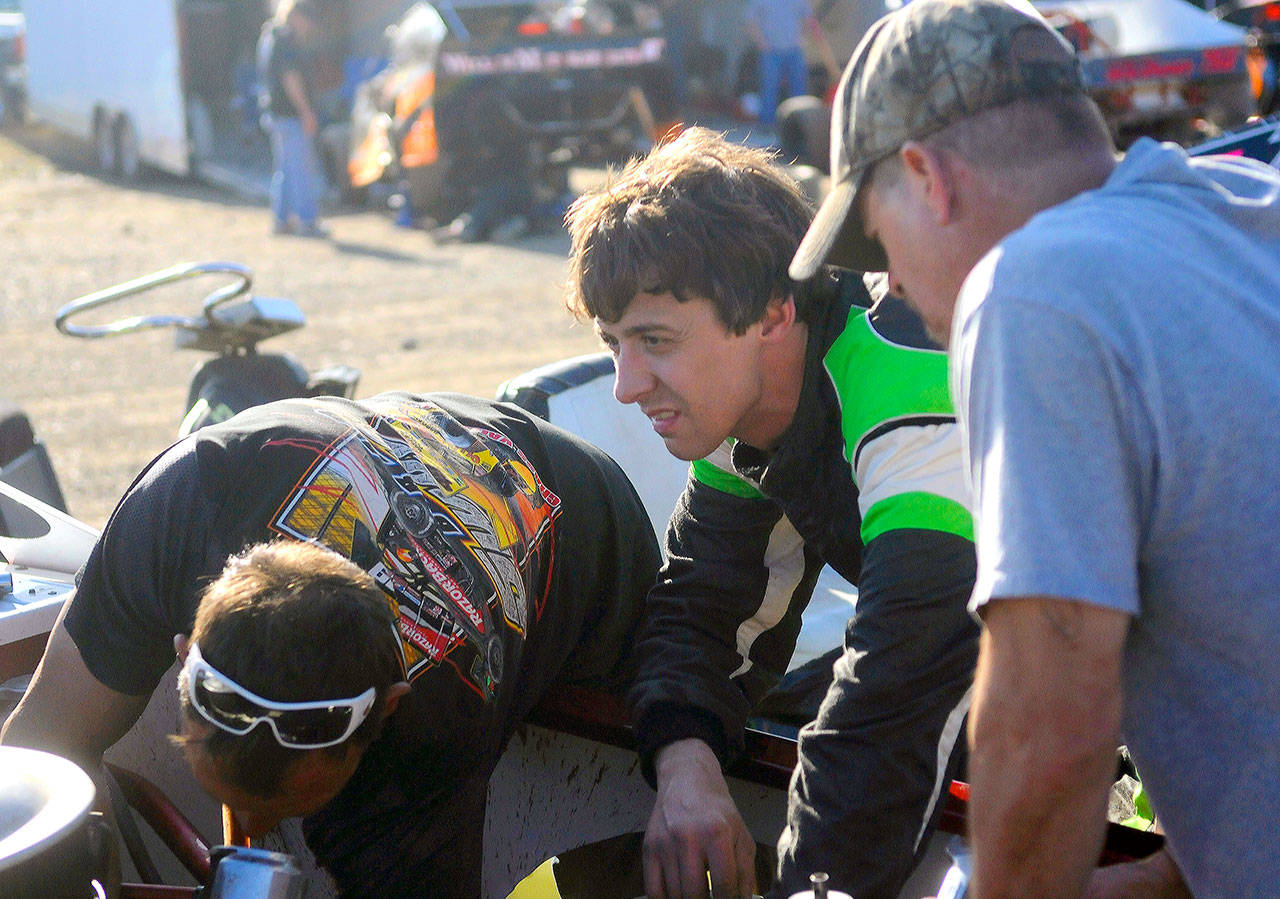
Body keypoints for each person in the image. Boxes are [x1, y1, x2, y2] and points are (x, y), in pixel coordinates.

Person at [789, 0, 1280, 895]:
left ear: (927, 177)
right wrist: (1174, 872)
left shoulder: (1030, 290)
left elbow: (1049, 727)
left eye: (876, 239)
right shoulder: (1247, 216)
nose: (886, 279)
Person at [1, 391, 661, 897]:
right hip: (402, 442)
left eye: (290, 806)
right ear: (184, 655)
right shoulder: (177, 506)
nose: (253, 829)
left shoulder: (431, 729)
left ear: (388, 711)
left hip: (583, 512)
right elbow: (33, 759)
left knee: (607, 820)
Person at [564, 127, 978, 899]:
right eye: (613, 342)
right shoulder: (743, 407)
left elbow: (901, 688)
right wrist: (685, 764)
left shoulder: (904, 389)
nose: (624, 384)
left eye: (654, 339)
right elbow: (703, 609)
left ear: (773, 314)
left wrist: (812, 886)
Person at [257, 0, 328, 238]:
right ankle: (307, 221)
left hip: (276, 114)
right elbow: (291, 79)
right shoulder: (286, 39)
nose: (309, 26)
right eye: (307, 20)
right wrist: (306, 111)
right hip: (290, 115)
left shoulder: (271, 37)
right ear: (296, 16)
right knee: (301, 170)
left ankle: (281, 220)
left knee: (286, 170)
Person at [744, 0, 836, 128]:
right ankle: (767, 125)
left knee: (798, 90)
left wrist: (811, 37)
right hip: (771, 52)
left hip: (794, 51)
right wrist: (762, 44)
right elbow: (750, 21)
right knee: (769, 88)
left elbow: (809, 20)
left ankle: (799, 127)